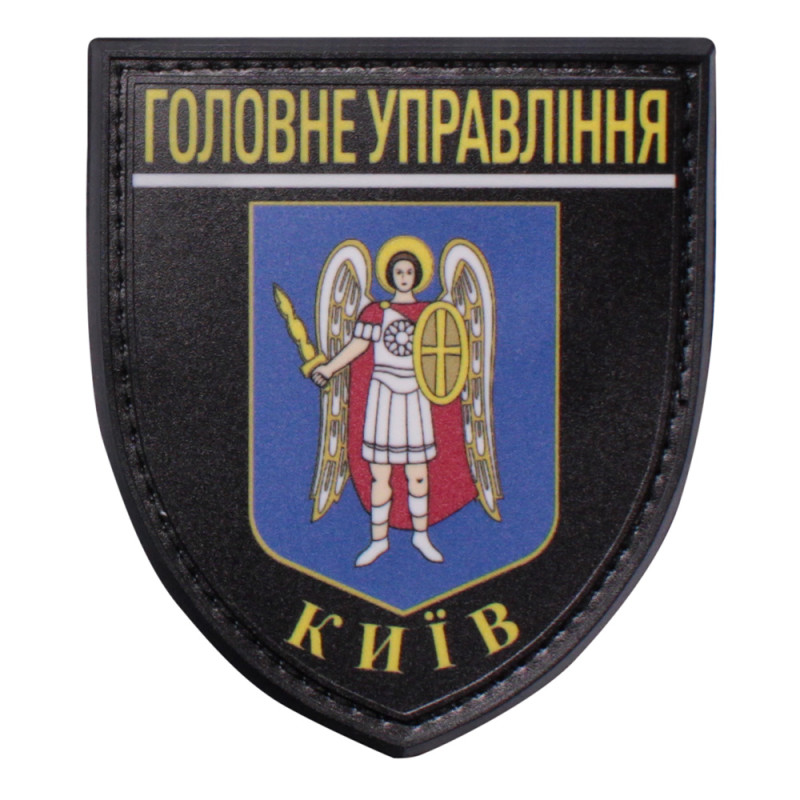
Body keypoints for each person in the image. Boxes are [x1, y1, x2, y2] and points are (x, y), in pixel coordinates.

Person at [311, 250, 445, 567]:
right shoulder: (376, 312)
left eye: (409, 272)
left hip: (415, 394)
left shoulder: (430, 313)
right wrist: (329, 368)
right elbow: (358, 346)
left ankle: (421, 535)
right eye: (399, 272)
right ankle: (378, 540)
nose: (404, 277)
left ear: (417, 275)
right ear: (390, 276)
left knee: (418, 473)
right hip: (384, 394)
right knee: (380, 474)